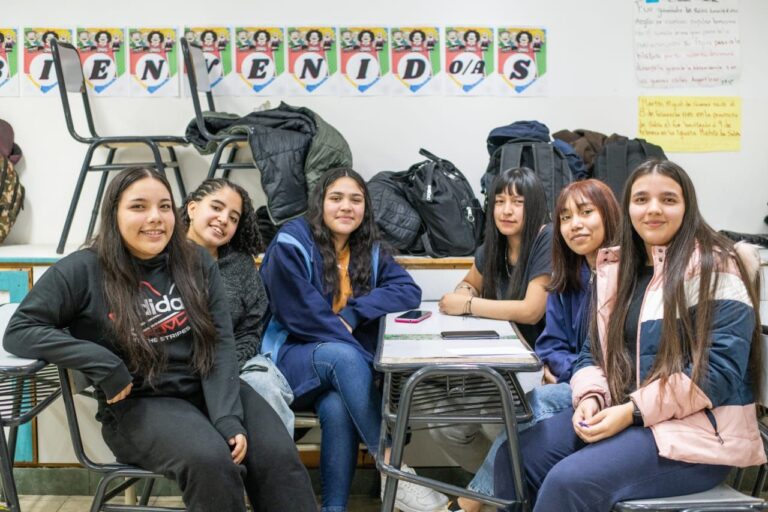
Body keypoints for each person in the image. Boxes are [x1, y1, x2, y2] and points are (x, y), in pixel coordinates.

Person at [3, 168, 316, 512]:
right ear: (114, 213)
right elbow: (20, 330)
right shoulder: (81, 269)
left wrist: (227, 416)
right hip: (140, 403)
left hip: (210, 386)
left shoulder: (196, 261)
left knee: (277, 456)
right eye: (139, 206)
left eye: (164, 206)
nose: (155, 218)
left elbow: (220, 342)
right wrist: (103, 363)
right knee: (211, 460)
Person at [495, 160, 766, 511]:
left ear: (688, 206)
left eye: (668, 199)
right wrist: (591, 396)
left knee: (568, 482)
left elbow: (716, 374)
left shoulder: (715, 266)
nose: (653, 209)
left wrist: (632, 412)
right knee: (514, 457)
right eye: (641, 200)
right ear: (628, 209)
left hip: (697, 436)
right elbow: (592, 353)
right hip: (629, 416)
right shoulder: (619, 269)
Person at [259, 167, 448, 512]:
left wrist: (355, 314)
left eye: (355, 200)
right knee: (344, 360)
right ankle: (394, 469)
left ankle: (334, 509)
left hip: (341, 372)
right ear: (320, 204)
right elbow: (301, 315)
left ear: (365, 209)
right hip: (290, 359)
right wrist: (363, 357)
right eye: (336, 198)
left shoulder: (369, 249)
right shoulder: (290, 241)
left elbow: (407, 290)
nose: (346, 207)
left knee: (337, 405)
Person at [448, 179, 621, 512]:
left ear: (610, 216)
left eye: (587, 213)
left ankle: (469, 503)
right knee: (496, 413)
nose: (576, 224)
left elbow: (612, 357)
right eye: (567, 217)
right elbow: (551, 342)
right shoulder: (567, 275)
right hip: (572, 381)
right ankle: (493, 499)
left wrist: (570, 372)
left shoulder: (623, 276)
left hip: (605, 392)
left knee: (529, 408)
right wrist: (559, 365)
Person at [182, 178, 295, 435]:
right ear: (192, 208)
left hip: (236, 363)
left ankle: (275, 472)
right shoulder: (160, 257)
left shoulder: (241, 265)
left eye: (233, 218)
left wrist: (225, 368)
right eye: (217, 208)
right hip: (179, 372)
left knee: (264, 386)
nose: (224, 220)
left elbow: (251, 328)